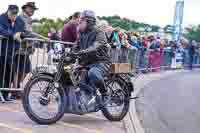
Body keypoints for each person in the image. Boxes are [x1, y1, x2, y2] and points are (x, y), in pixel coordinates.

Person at [72, 10, 111, 100]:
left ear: (89, 21)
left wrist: (83, 51)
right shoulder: (81, 33)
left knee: (93, 73)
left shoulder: (99, 32)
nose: (79, 22)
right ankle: (79, 98)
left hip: (100, 62)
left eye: (82, 20)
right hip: (86, 62)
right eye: (80, 20)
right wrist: (70, 53)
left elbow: (96, 46)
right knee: (70, 74)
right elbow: (76, 46)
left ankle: (105, 93)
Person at [0, 5, 26, 101]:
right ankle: (2, 95)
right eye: (12, 14)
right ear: (8, 12)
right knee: (2, 72)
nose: (13, 16)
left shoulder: (20, 21)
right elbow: (1, 30)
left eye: (15, 14)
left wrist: (21, 34)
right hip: (2, 50)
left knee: (10, 74)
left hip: (14, 52)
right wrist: (12, 35)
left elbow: (24, 32)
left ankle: (5, 95)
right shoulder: (1, 18)